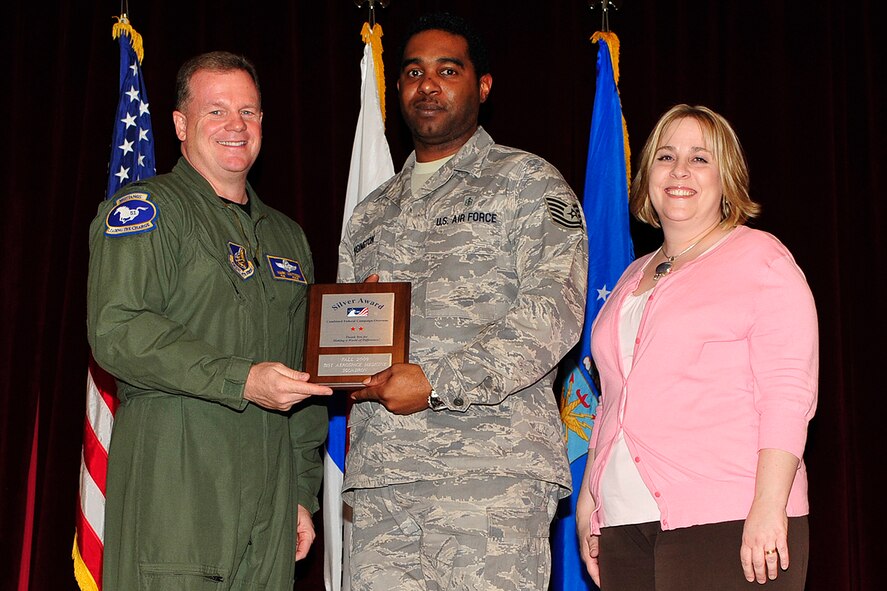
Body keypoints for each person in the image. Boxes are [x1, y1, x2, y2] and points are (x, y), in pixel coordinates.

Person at [337, 12, 588, 591]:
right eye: (413, 72)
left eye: (447, 70)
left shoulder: (527, 181)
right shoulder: (371, 213)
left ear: (482, 86)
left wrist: (437, 381)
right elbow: (352, 342)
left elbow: (552, 317)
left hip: (488, 478)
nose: (428, 85)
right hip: (382, 485)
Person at [87, 51, 333, 590]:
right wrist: (240, 378)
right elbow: (119, 330)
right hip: (177, 492)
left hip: (269, 504)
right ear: (180, 124)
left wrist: (300, 491)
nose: (235, 126)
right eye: (216, 111)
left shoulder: (287, 237)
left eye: (249, 112)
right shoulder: (146, 210)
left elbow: (305, 377)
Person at [575, 104, 818, 590]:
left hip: (729, 518)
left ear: (727, 178)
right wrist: (589, 507)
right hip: (624, 523)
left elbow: (788, 394)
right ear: (647, 177)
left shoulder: (761, 259)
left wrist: (769, 508)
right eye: (666, 156)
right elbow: (610, 401)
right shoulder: (630, 277)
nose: (680, 170)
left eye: (700, 158)